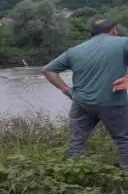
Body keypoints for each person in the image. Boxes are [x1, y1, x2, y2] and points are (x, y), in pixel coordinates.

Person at [42, 19, 128, 170]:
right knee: (124, 140)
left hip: (81, 102)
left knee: (77, 141)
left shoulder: (75, 50)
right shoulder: (123, 42)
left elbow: (48, 70)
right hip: (113, 101)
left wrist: (66, 89)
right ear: (114, 30)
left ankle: (75, 174)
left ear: (92, 33)